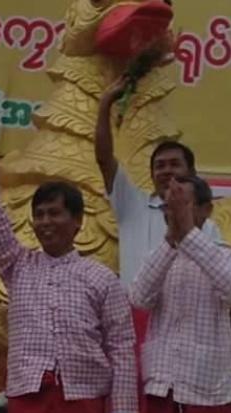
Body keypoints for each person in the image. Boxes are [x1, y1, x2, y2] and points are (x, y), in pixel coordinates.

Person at [0, 102, 138, 413]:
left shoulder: (102, 278)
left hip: (83, 399)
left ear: (78, 221)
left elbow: (122, 347)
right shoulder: (17, 265)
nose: (45, 222)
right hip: (28, 398)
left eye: (54, 213)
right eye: (39, 215)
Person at [129, 176, 231, 413]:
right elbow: (139, 298)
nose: (174, 212)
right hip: (161, 385)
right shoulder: (159, 254)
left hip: (206, 390)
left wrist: (188, 235)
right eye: (168, 206)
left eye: (183, 204)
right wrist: (172, 240)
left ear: (206, 210)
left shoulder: (222, 253)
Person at [94, 78, 223, 287]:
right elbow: (104, 159)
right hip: (134, 314)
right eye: (160, 166)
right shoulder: (132, 205)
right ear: (152, 175)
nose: (166, 171)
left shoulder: (206, 224)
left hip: (180, 317)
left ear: (191, 172)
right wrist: (105, 103)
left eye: (174, 164)